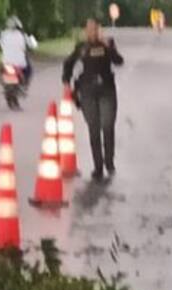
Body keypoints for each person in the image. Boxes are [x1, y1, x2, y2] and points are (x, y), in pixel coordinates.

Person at [63, 19, 124, 180]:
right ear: (85, 31)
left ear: (99, 30)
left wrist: (107, 46)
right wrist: (66, 83)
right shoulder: (81, 47)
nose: (92, 32)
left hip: (106, 90)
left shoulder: (107, 44)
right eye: (89, 30)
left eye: (95, 29)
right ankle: (98, 166)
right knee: (94, 128)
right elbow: (68, 64)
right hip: (87, 91)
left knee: (108, 125)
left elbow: (118, 61)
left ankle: (109, 162)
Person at [0, 16, 38, 85]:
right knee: (29, 69)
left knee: (0, 66)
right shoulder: (23, 35)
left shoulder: (4, 34)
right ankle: (25, 82)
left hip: (6, 62)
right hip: (19, 63)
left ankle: (2, 79)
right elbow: (32, 44)